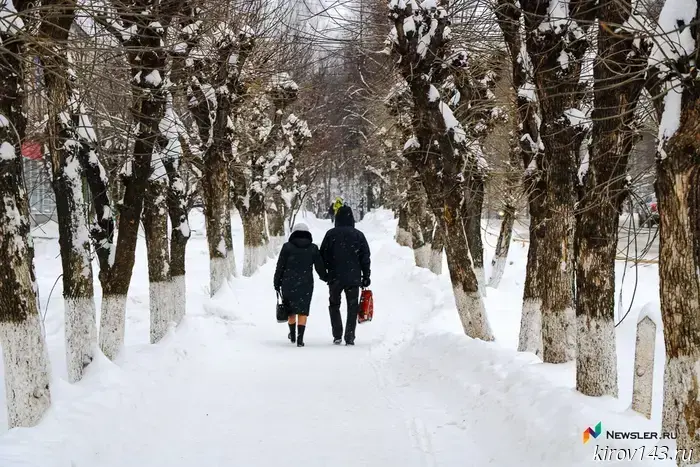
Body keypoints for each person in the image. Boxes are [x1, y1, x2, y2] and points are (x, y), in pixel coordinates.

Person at [320, 205, 371, 345]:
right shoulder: (358, 235)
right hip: (353, 278)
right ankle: (349, 336)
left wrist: (325, 273)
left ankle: (337, 334)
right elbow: (365, 257)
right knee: (352, 306)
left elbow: (322, 255)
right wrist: (366, 276)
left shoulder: (330, 234)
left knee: (334, 304)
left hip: (334, 277)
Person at [274, 223, 327, 347]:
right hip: (306, 283)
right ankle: (300, 339)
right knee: (303, 310)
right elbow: (319, 266)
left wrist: (277, 282)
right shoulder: (313, 248)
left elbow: (280, 266)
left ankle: (292, 335)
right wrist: (326, 277)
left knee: (290, 309)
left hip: (288, 282)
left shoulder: (287, 247)